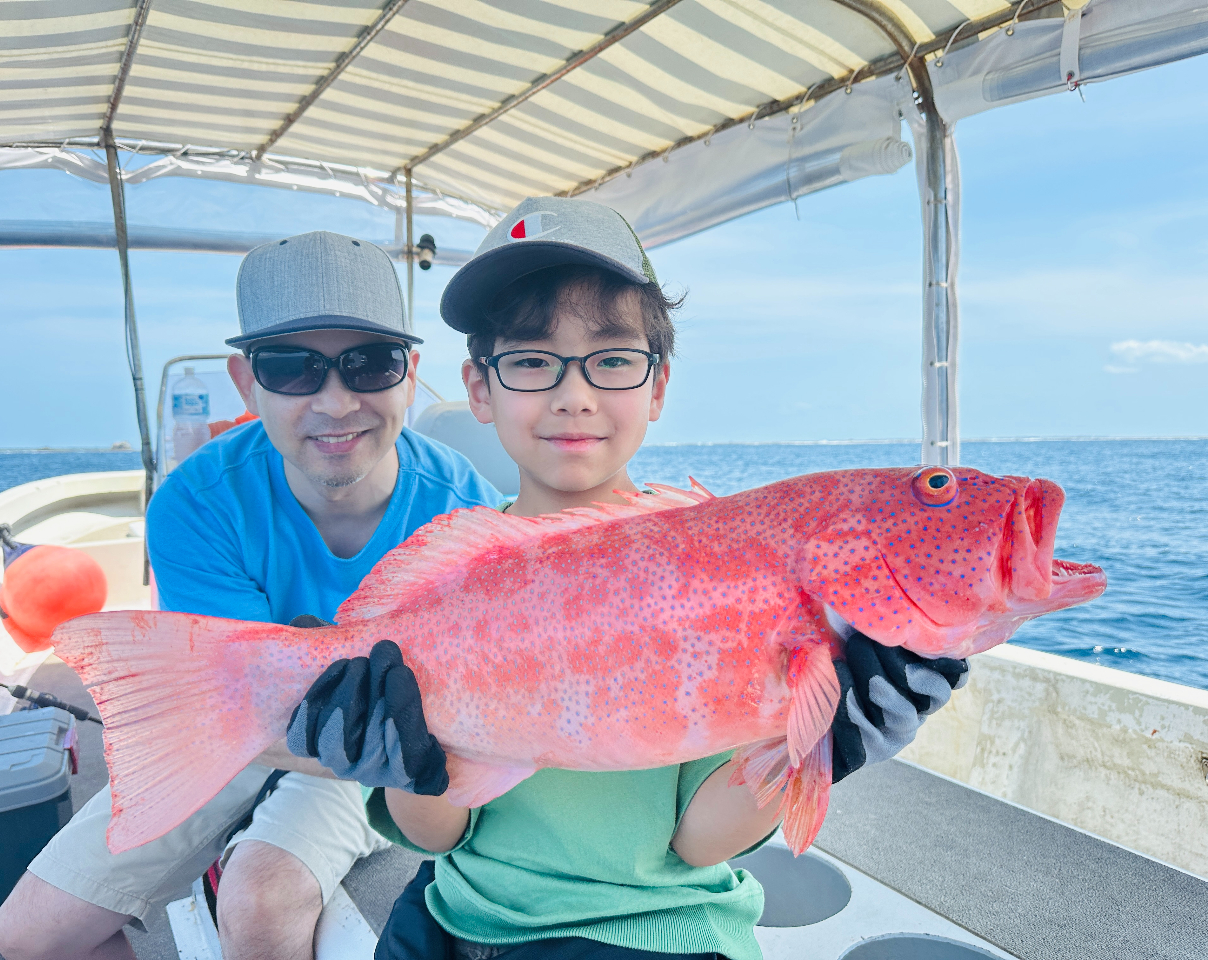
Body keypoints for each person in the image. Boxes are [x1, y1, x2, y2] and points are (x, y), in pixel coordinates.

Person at [288, 199, 968, 960]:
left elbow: (701, 842)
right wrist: (397, 761)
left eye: (612, 360)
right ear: (479, 388)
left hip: (656, 935)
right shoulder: (457, 580)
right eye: (531, 360)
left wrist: (824, 746)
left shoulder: (716, 564)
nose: (573, 394)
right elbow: (439, 831)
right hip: (454, 917)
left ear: (658, 385)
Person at [0, 231, 502, 960]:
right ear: (244, 382)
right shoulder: (196, 503)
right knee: (28, 935)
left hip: (377, 748)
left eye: (370, 363)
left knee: (260, 902)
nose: (335, 400)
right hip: (242, 727)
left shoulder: (469, 514)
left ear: (410, 373)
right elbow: (236, 703)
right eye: (292, 368)